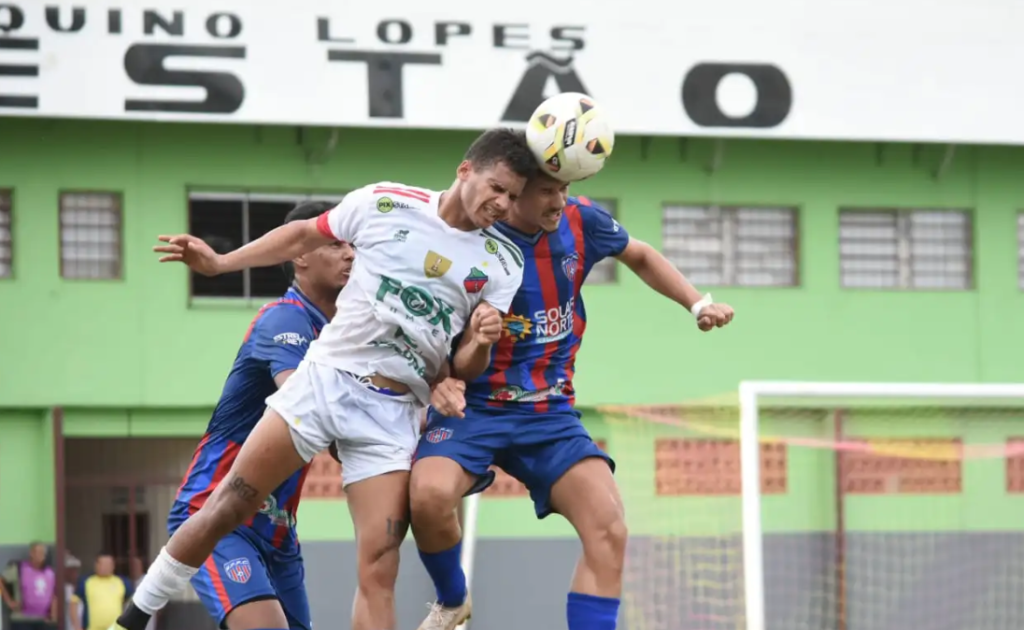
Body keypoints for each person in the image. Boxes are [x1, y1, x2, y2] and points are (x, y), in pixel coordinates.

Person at [114, 128, 534, 630]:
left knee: (380, 567)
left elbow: (466, 363)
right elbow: (299, 236)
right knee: (230, 502)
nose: (504, 204)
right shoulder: (385, 203)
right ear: (466, 170)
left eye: (513, 196)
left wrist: (481, 342)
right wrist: (222, 263)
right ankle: (132, 618)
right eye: (497, 187)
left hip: (394, 411)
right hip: (328, 379)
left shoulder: (505, 262)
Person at [409, 172, 736, 630]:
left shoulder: (581, 220)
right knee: (426, 496)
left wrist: (696, 303)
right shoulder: (470, 238)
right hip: (474, 406)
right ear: (511, 197)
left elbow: (638, 253)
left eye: (563, 189)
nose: (559, 200)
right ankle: (453, 601)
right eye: (547, 191)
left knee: (609, 528)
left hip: (549, 413)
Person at [1, 541, 57, 630]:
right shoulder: (19, 568)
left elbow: (54, 594)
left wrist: (53, 615)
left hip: (44, 621)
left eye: (43, 553)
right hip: (22, 620)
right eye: (38, 552)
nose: (41, 555)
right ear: (31, 553)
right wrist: (9, 601)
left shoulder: (50, 572)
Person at [77, 554, 132, 630]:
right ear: (96, 565)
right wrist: (77, 627)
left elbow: (131, 603)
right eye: (103, 564)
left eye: (108, 564)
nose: (105, 567)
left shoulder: (122, 582)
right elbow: (74, 603)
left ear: (113, 566)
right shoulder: (86, 581)